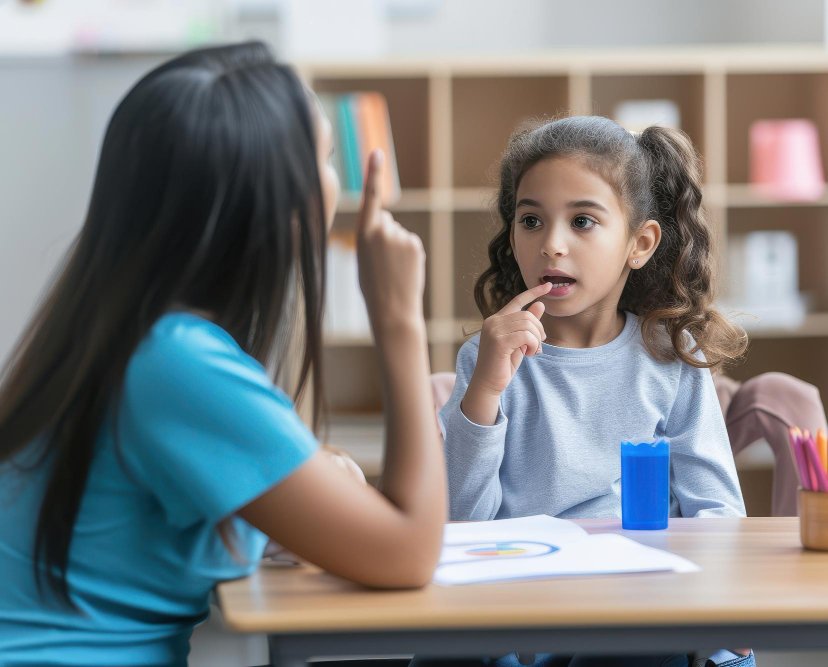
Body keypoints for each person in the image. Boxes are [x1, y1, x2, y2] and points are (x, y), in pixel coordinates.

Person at [0, 42, 445, 667]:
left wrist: (315, 481)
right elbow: (408, 555)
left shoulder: (125, 328)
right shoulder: (175, 360)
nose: (334, 179)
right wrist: (398, 319)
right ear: (267, 200)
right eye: (321, 156)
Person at [438, 116, 753, 667]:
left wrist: (720, 611)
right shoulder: (487, 360)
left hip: (631, 610)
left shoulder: (671, 360)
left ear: (640, 243)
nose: (551, 244)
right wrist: (486, 390)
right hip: (515, 615)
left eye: (582, 221)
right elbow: (462, 526)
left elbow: (716, 510)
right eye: (531, 220)